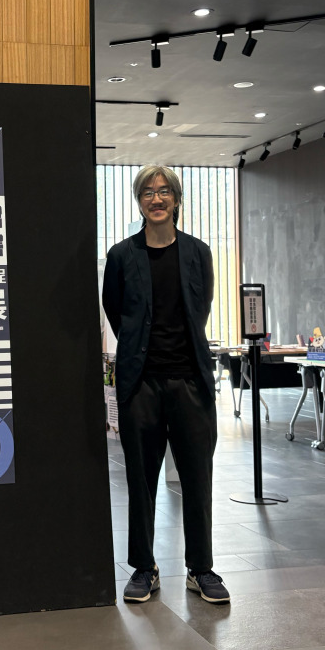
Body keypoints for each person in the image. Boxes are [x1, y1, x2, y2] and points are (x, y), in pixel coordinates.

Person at [102, 165, 230, 606]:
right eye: (147, 193)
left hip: (191, 382)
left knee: (197, 478)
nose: (156, 200)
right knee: (140, 481)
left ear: (176, 199)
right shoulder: (122, 255)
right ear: (139, 202)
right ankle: (144, 567)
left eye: (163, 192)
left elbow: (201, 307)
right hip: (141, 384)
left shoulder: (198, 252)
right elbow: (116, 312)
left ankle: (201, 569)